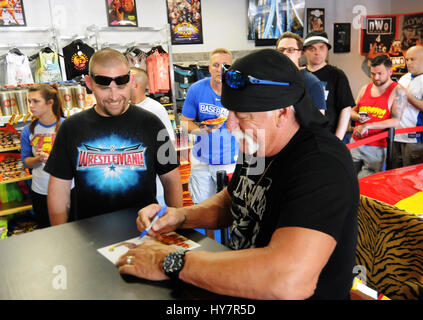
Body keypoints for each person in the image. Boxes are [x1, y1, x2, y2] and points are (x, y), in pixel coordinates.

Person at [116, 49, 359, 300]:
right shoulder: (258, 142)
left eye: (242, 116)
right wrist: (180, 216)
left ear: (283, 113)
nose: (230, 126)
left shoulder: (322, 163)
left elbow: (288, 279)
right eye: (229, 113)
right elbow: (234, 200)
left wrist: (171, 263)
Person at [44, 48, 182, 225]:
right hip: (88, 234)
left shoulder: (153, 123)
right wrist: (61, 236)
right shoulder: (70, 128)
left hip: (144, 232)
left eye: (121, 86)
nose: (114, 96)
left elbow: (171, 178)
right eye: (104, 87)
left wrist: (177, 224)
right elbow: (59, 189)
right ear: (89, 83)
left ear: (131, 81)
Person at [180, 48, 239, 237]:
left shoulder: (239, 89)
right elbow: (184, 122)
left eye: (226, 65)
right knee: (204, 210)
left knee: (232, 208)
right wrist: (202, 130)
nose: (221, 69)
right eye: (216, 65)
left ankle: (232, 249)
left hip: (231, 159)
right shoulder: (197, 89)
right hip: (202, 160)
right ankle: (210, 248)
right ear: (209, 67)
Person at [20, 84, 73, 228]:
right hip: (40, 190)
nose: (31, 105)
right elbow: (25, 161)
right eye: (29, 101)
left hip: (68, 189)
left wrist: (56, 160)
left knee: (72, 230)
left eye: (36, 101)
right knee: (46, 231)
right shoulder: (28, 130)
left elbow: (78, 160)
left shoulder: (68, 126)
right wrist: (38, 159)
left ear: (50, 103)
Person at [350, 55, 407, 178]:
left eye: (380, 74)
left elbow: (396, 121)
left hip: (376, 147)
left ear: (390, 71)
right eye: (373, 74)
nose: (376, 77)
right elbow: (351, 111)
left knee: (367, 185)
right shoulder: (365, 88)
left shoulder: (398, 91)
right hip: (356, 141)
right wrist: (358, 117)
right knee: (348, 179)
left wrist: (369, 125)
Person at [129, 66, 176, 206]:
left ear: (135, 84)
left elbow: (168, 146)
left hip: (155, 186)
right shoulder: (126, 108)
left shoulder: (155, 109)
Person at [303, 30, 355, 141]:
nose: (317, 52)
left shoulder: (337, 75)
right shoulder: (300, 75)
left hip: (328, 136)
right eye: (312, 48)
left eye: (321, 48)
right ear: (304, 51)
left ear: (327, 50)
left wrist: (337, 140)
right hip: (304, 136)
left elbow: (345, 109)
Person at [276, 31, 327, 114]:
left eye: (290, 50)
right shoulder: (271, 80)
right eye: (281, 50)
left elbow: (319, 123)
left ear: (299, 53)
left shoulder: (312, 83)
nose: (284, 53)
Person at [392, 45, 423, 168]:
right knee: (393, 173)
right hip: (396, 134)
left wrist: (407, 96)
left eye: (412, 59)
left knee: (410, 179)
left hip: (415, 139)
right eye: (407, 59)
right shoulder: (404, 77)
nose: (408, 62)